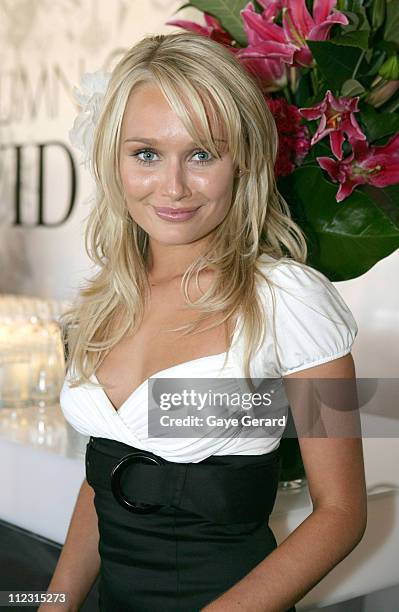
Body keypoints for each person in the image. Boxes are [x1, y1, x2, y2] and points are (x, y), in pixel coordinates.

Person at [44, 32, 367, 612]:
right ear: (112, 158)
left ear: (241, 162)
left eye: (201, 154)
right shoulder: (103, 301)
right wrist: (53, 605)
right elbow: (105, 479)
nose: (172, 187)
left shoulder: (290, 302)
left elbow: (342, 514)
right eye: (145, 153)